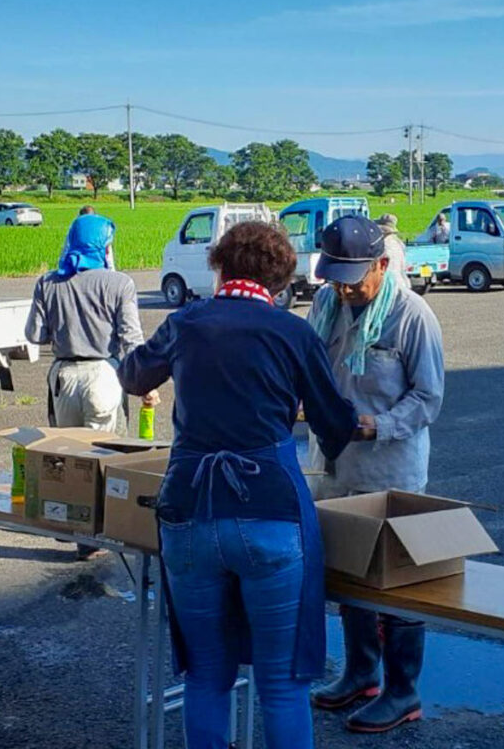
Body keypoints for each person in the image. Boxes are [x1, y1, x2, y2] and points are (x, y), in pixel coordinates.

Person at [118, 222, 359, 749]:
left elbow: (134, 376)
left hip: (188, 511)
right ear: (279, 279)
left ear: (219, 265)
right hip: (270, 512)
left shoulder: (186, 322)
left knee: (206, 675)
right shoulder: (293, 333)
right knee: (281, 683)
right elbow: (334, 422)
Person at [306, 215, 444, 733]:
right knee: (348, 574)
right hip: (337, 462)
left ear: (382, 264)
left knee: (394, 583)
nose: (343, 288)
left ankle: (402, 691)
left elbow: (429, 398)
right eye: (334, 275)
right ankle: (361, 672)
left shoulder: (413, 316)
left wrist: (377, 425)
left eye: (353, 276)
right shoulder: (326, 304)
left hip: (392, 468)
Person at [25, 212, 152, 433]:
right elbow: (131, 339)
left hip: (64, 379)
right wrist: (145, 383)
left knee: (69, 456)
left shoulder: (47, 282)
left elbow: (34, 335)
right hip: (104, 375)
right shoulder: (120, 283)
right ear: (105, 247)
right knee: (107, 456)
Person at [375, 213, 411, 289]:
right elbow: (403, 266)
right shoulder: (398, 243)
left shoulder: (382, 245)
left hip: (388, 286)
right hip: (402, 284)